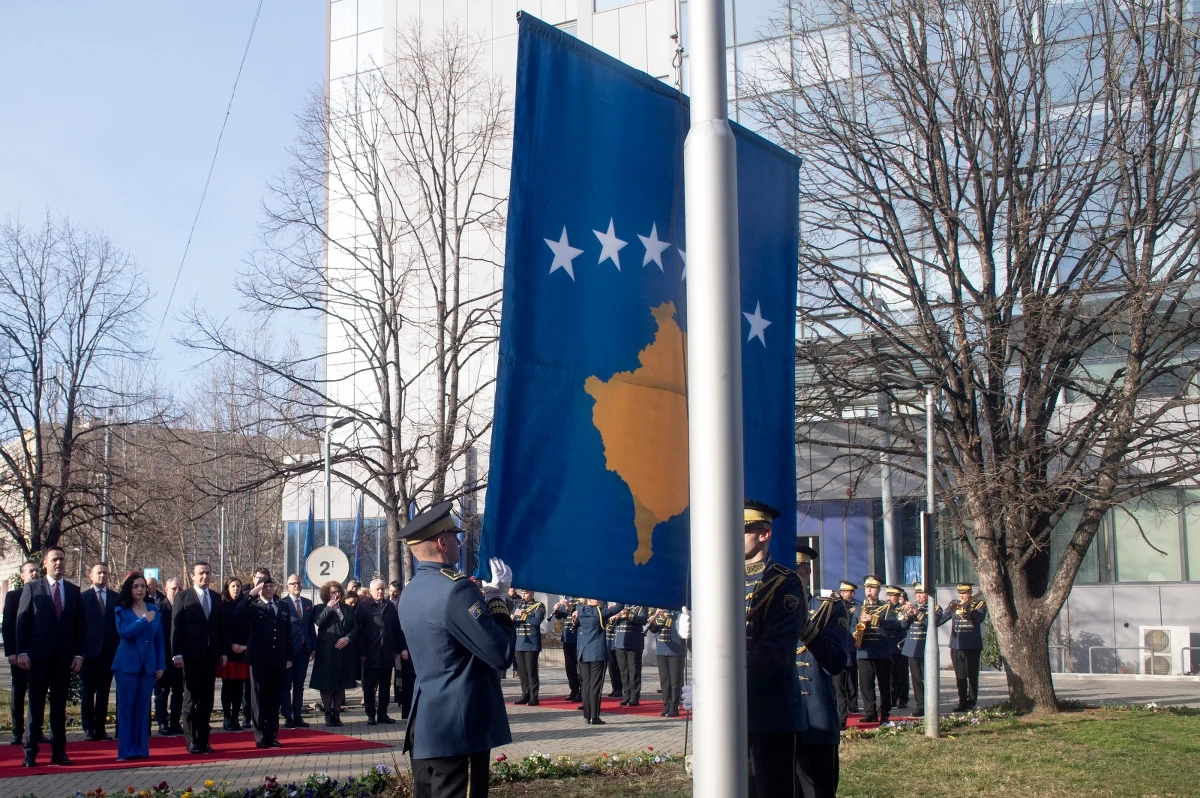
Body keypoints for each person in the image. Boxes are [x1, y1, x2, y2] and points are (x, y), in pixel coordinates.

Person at [396, 501, 515, 798]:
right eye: (454, 535)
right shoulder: (457, 589)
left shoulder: (410, 591)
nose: (460, 542)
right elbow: (500, 652)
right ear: (441, 542)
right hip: (460, 729)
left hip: (427, 725)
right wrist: (497, 599)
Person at [738, 499, 809, 797]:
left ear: (764, 534)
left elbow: (776, 652)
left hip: (769, 708)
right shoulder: (720, 579)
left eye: (743, 531)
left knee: (769, 789)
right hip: (728, 709)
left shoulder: (784, 583)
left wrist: (725, 685)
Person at [15, 546, 86, 767]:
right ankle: (30, 752)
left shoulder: (74, 591)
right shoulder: (33, 588)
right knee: (35, 706)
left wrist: (78, 654)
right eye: (55, 559)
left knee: (58, 708)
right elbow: (22, 622)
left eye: (62, 559)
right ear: (45, 563)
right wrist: (22, 652)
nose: (59, 563)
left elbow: (79, 626)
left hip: (63, 659)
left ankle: (59, 753)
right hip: (37, 658)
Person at [793, 544, 852, 798]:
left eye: (794, 571)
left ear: (806, 572)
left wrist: (809, 631)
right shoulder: (764, 606)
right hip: (777, 719)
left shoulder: (828, 609)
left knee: (816, 791)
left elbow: (836, 661)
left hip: (813, 716)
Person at [171, 561, 225, 755]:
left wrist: (222, 652)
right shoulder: (183, 597)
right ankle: (191, 740)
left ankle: (203, 740)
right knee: (190, 699)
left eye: (208, 573)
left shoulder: (216, 597)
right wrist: (176, 653)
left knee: (207, 700)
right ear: (192, 576)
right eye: (201, 573)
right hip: (190, 656)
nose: (205, 576)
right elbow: (176, 629)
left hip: (210, 656)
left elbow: (219, 627)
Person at [236, 571, 293, 748]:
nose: (268, 589)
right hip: (259, 658)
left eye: (271, 586)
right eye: (265, 586)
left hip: (277, 658)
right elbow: (238, 614)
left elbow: (287, 633)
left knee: (275, 698)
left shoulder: (282, 606)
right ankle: (261, 735)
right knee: (259, 697)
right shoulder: (253, 606)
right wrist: (252, 593)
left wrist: (289, 656)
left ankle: (272, 734)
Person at [113, 572, 165, 761]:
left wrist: (160, 665)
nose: (140, 589)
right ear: (129, 589)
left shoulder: (154, 610)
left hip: (148, 666)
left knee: (143, 708)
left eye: (142, 586)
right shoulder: (121, 609)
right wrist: (143, 620)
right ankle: (126, 751)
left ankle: (141, 749)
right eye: (135, 586)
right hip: (126, 665)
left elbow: (159, 640)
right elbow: (124, 633)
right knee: (126, 708)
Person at [80, 562, 120, 741]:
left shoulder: (115, 597)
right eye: (99, 573)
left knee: (104, 692)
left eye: (105, 573)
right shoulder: (83, 598)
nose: (102, 576)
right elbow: (78, 626)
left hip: (108, 653)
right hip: (89, 654)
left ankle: (100, 728)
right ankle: (88, 728)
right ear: (91, 576)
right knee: (88, 692)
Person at [3, 561, 41, 746]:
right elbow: (9, 626)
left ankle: (36, 730)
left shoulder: (45, 595)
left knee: (38, 693)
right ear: (22, 576)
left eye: (37, 570)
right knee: (19, 693)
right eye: (31, 571)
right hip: (19, 654)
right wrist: (12, 652)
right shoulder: (13, 596)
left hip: (40, 654)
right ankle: (17, 731)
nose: (35, 574)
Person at [310, 580, 358, 727]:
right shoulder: (320, 608)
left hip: (343, 650)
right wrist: (329, 608)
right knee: (326, 684)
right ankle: (328, 713)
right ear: (326, 594)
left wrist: (348, 638)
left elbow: (356, 627)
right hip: (326, 651)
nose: (336, 594)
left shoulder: (347, 609)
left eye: (338, 592)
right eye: (333, 592)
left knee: (340, 683)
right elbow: (318, 622)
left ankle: (337, 714)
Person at [856, 575, 902, 724]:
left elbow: (895, 624)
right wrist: (854, 633)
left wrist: (874, 619)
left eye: (873, 588)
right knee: (865, 685)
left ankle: (885, 713)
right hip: (864, 651)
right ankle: (870, 712)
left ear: (878, 589)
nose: (869, 590)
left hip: (881, 651)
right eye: (867, 587)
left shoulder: (887, 607)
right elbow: (851, 625)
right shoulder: (859, 607)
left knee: (884, 685)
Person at [356, 578, 401, 725]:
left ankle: (383, 713)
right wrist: (361, 652)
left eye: (382, 589)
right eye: (377, 589)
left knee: (385, 685)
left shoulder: (390, 606)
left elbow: (396, 629)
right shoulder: (363, 607)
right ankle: (370, 713)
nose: (381, 591)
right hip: (370, 653)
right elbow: (359, 631)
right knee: (369, 686)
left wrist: (397, 649)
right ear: (370, 591)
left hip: (387, 653)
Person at [939, 583, 987, 711]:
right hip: (956, 645)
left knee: (972, 675)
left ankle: (971, 702)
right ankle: (962, 702)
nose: (962, 595)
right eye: (960, 592)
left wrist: (968, 611)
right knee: (960, 676)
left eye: (964, 593)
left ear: (970, 592)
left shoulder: (979, 604)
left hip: (972, 645)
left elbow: (979, 618)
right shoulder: (954, 603)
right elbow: (942, 619)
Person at [574, 599, 622, 725]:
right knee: (595, 686)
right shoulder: (599, 612)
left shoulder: (581, 611)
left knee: (586, 685)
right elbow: (619, 607)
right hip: (597, 653)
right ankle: (594, 717)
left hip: (584, 653)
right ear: (591, 599)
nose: (600, 600)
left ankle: (586, 715)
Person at [900, 583, 941, 717]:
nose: (919, 596)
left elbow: (932, 623)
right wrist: (907, 613)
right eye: (917, 593)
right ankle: (920, 706)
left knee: (928, 679)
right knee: (916, 680)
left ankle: (931, 705)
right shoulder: (913, 607)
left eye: (922, 593)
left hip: (926, 647)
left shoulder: (935, 608)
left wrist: (918, 613)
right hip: (912, 648)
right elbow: (903, 625)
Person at [217, 576, 252, 731]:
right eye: (233, 586)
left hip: (242, 652)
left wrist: (244, 646)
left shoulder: (246, 606)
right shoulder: (223, 606)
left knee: (239, 687)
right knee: (228, 686)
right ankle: (226, 717)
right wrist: (231, 644)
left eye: (238, 586)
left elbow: (249, 628)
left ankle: (235, 717)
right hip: (228, 652)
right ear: (227, 588)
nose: (236, 589)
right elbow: (222, 629)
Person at [281, 574, 315, 728]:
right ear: (287, 586)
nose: (296, 585)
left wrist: (312, 647)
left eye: (299, 583)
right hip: (289, 650)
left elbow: (309, 627)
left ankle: (298, 714)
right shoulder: (283, 604)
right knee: (286, 684)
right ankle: (287, 715)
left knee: (299, 684)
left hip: (303, 649)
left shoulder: (308, 603)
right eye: (293, 583)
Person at [154, 578, 185, 736]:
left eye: (180, 588)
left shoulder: (185, 607)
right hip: (163, 657)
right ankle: (162, 722)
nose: (177, 591)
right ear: (166, 589)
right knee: (162, 692)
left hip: (181, 658)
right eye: (174, 589)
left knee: (178, 692)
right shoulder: (159, 608)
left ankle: (175, 721)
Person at [647, 608, 685, 717]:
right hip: (662, 648)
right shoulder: (660, 611)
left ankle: (674, 707)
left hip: (676, 648)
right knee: (664, 680)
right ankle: (666, 705)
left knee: (675, 680)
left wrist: (664, 617)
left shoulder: (679, 612)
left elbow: (677, 626)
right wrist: (652, 622)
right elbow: (654, 630)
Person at [512, 589, 546, 706]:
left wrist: (523, 615)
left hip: (531, 643)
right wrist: (511, 618)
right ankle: (525, 694)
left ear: (532, 593)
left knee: (531, 671)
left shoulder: (539, 606)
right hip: (519, 642)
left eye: (526, 593)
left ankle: (534, 697)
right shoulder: (518, 605)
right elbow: (515, 622)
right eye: (522, 593)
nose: (523, 595)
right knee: (522, 672)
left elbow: (536, 621)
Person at [832, 581, 859, 728]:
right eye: (841, 591)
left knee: (849, 682)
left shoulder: (856, 607)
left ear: (852, 593)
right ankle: (840, 716)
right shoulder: (836, 605)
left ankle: (844, 716)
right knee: (838, 687)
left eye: (846, 591)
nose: (843, 594)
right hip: (837, 649)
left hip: (849, 649)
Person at [610, 602, 647, 706]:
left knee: (634, 671)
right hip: (620, 643)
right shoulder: (620, 607)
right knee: (623, 671)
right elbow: (612, 624)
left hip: (634, 643)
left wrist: (629, 615)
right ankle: (626, 695)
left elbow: (643, 620)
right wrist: (614, 618)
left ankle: (635, 696)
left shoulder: (640, 607)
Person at [552, 597, 581, 701]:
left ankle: (582, 692)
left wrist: (568, 605)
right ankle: (574, 690)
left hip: (577, 637)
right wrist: (556, 611)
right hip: (567, 637)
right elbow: (561, 616)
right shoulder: (566, 598)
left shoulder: (581, 599)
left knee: (580, 667)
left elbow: (579, 613)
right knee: (569, 667)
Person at [885, 586, 910, 710]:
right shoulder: (886, 608)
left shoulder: (903, 608)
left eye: (892, 595)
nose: (889, 598)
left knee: (901, 675)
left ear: (897, 596)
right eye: (888, 595)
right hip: (888, 645)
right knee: (890, 676)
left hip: (899, 645)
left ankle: (903, 699)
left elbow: (901, 624)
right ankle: (892, 698)